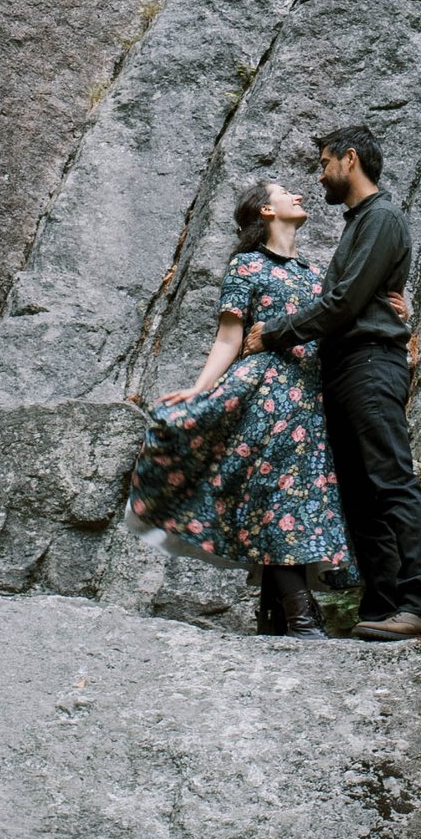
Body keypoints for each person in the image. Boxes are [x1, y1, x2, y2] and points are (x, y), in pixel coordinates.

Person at [126, 180, 351, 637]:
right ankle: (302, 619)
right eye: (286, 192)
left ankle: (273, 618)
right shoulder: (246, 266)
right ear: (266, 211)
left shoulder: (314, 273)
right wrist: (198, 390)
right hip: (267, 390)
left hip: (310, 397)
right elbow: (229, 337)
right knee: (279, 498)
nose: (300, 196)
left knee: (289, 501)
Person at [300, 127, 421, 640]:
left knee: (390, 481)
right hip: (344, 367)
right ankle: (382, 605)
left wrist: (271, 333)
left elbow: (343, 304)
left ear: (349, 158)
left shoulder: (381, 218)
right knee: (361, 496)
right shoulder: (361, 221)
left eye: (324, 163)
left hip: (370, 363)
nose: (320, 175)